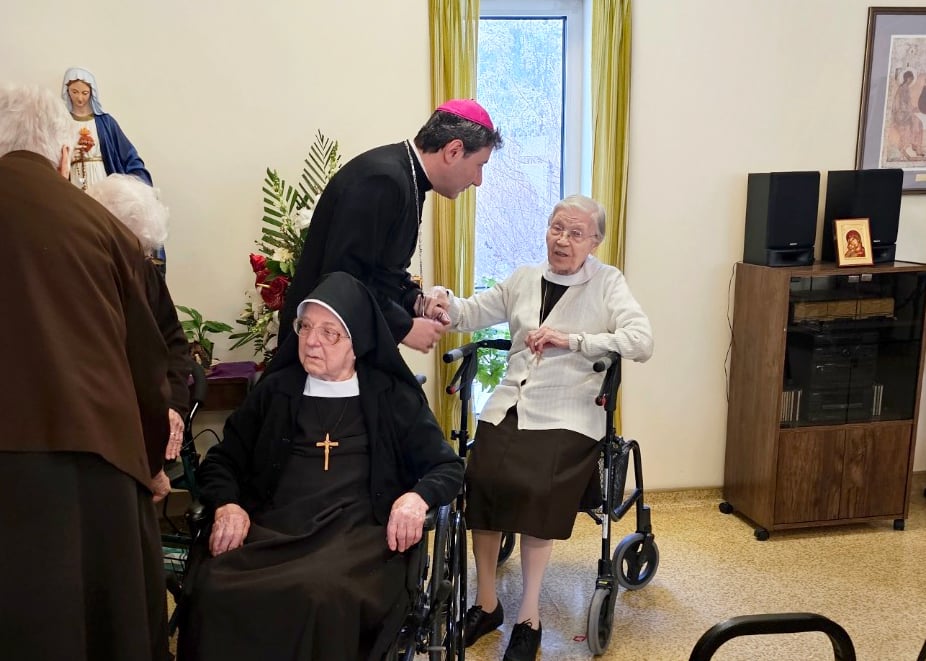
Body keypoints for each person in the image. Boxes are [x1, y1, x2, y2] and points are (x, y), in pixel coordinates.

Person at [179, 271, 465, 661]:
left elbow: (446, 468)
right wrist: (227, 504)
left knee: (319, 592)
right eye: (306, 326)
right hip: (275, 527)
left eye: (330, 332)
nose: (312, 340)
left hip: (357, 535)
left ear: (357, 342)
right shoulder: (276, 391)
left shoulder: (391, 395)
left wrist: (415, 499)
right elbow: (224, 460)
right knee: (215, 585)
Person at [432, 194, 654, 661]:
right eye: (557, 228)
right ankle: (486, 603)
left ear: (594, 241)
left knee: (535, 487)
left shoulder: (608, 283)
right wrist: (441, 303)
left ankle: (529, 616)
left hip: (571, 411)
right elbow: (470, 313)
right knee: (482, 480)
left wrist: (572, 340)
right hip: (512, 403)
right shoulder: (524, 279)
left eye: (576, 233)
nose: (562, 240)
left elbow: (641, 340)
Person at [0, 84, 171, 660]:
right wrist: (150, 463)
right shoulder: (105, 231)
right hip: (95, 463)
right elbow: (145, 362)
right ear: (63, 154)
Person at [270, 99, 503, 372]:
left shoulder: (404, 177)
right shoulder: (383, 179)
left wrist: (417, 301)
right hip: (321, 351)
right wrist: (403, 328)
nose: (478, 180)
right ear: (453, 151)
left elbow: (381, 272)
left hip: (344, 346)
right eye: (480, 165)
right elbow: (344, 277)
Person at [87, 174, 192, 460]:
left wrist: (174, 407)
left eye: (144, 250)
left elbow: (175, 345)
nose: (140, 258)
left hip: (148, 416)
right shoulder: (83, 276)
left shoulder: (145, 273)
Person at [890, 70, 924, 161]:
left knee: (919, 123)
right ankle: (909, 147)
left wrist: (914, 108)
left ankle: (916, 147)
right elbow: (899, 104)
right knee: (916, 124)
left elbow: (908, 103)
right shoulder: (902, 89)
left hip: (906, 113)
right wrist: (910, 110)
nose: (911, 81)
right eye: (911, 79)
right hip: (901, 115)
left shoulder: (906, 88)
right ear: (908, 78)